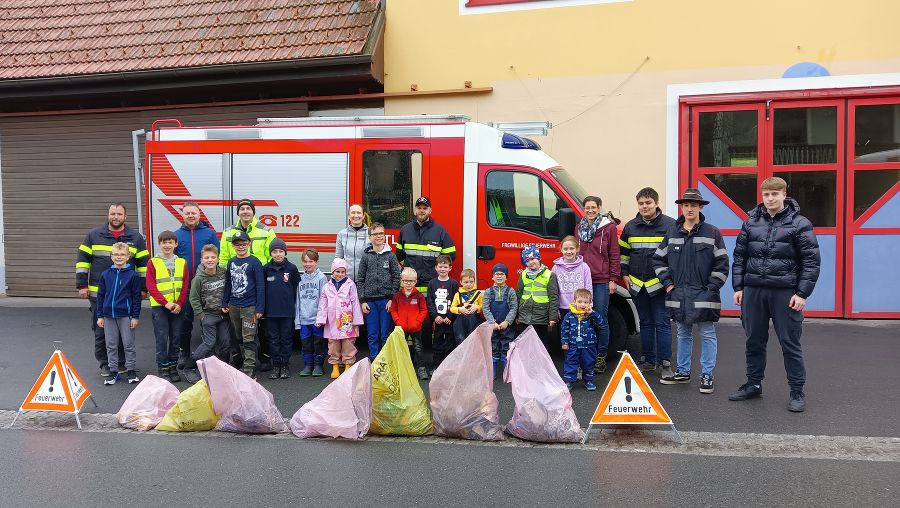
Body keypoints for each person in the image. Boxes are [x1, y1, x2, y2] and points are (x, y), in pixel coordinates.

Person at [729, 177, 820, 412]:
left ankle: (797, 391)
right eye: (766, 194)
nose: (770, 199)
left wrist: (802, 293)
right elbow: (740, 257)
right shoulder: (750, 223)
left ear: (784, 194)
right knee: (753, 340)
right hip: (754, 291)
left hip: (785, 293)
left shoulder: (799, 224)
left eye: (774, 194)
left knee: (790, 343)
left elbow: (811, 262)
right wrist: (738, 287)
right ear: (762, 196)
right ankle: (753, 384)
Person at [653, 188, 729, 394]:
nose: (689, 208)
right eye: (685, 205)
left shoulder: (712, 232)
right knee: (683, 333)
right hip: (679, 294)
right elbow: (658, 260)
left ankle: (707, 375)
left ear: (700, 207)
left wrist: (712, 288)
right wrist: (668, 285)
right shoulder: (671, 232)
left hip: (704, 294)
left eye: (693, 205)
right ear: (681, 208)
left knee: (707, 333)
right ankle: (683, 372)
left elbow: (722, 263)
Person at [76, 202, 148, 377]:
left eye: (119, 214)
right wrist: (82, 285)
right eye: (113, 213)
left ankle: (122, 363)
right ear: (108, 215)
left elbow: (143, 266)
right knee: (101, 331)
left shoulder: (136, 238)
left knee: (125, 331)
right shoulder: (93, 235)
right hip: (98, 293)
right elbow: (82, 261)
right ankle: (105, 364)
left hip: (126, 295)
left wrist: (143, 288)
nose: (116, 217)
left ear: (125, 216)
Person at [619, 187, 676, 378]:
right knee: (645, 323)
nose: (645, 206)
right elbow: (624, 254)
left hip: (660, 285)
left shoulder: (670, 225)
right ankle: (648, 360)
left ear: (656, 203)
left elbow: (675, 257)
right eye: (641, 203)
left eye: (648, 203)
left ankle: (665, 363)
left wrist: (669, 281)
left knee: (662, 323)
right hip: (637, 284)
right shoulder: (630, 226)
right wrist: (625, 274)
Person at [219, 198, 277, 372]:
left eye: (248, 208)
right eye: (242, 209)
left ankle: (259, 360)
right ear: (238, 212)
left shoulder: (266, 231)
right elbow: (223, 258)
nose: (245, 211)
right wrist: (225, 298)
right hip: (235, 297)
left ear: (253, 212)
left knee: (259, 329)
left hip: (257, 286)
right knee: (238, 333)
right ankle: (240, 359)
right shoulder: (228, 233)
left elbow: (272, 255)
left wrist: (261, 275)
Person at [174, 201, 219, 378]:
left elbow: (218, 256)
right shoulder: (177, 235)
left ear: (199, 214)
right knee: (184, 322)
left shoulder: (208, 234)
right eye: (187, 213)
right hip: (184, 287)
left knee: (206, 321)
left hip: (206, 287)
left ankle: (207, 355)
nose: (190, 216)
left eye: (194, 213)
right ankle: (184, 352)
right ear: (182, 215)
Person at [576, 195, 620, 374]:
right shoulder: (579, 227)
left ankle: (600, 357)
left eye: (593, 207)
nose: (590, 210)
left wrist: (613, 279)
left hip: (601, 280)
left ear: (599, 207)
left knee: (600, 319)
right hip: (582, 281)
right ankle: (586, 356)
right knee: (582, 318)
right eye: (587, 207)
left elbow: (614, 254)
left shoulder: (608, 228)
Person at [95, 242, 142, 385]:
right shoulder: (105, 274)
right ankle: (113, 371)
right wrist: (100, 315)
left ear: (128, 257)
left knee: (128, 344)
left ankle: (131, 370)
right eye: (116, 254)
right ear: (111, 256)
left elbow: (136, 297)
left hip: (126, 316)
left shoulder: (132, 275)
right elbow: (101, 295)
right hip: (108, 316)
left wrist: (135, 316)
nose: (119, 257)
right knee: (111, 345)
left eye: (122, 254)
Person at [146, 230, 189, 383]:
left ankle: (173, 367)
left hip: (177, 307)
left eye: (170, 242)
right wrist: (166, 303)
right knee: (162, 338)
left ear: (175, 244)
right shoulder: (153, 262)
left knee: (176, 338)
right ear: (159, 244)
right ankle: (163, 369)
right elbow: (151, 286)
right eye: (164, 242)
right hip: (160, 307)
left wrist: (180, 303)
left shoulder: (181, 262)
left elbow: (185, 285)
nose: (167, 245)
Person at [185, 244, 231, 383]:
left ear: (218, 259)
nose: (210, 260)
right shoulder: (199, 278)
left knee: (225, 343)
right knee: (209, 342)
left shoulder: (223, 273)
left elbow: (229, 289)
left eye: (213, 257)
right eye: (207, 257)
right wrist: (201, 316)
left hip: (223, 315)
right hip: (208, 315)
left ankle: (222, 368)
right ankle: (189, 366)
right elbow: (193, 298)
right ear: (202, 260)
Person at [222, 231, 265, 379]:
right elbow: (228, 283)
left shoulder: (255, 262)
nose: (241, 247)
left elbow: (260, 286)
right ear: (233, 246)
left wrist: (259, 308)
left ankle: (249, 370)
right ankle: (243, 363)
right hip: (234, 306)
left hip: (250, 307)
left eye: (244, 244)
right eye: (237, 244)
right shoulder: (231, 262)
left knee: (249, 338)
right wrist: (225, 301)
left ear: (249, 244)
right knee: (239, 337)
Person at [356, 222, 402, 360]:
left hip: (385, 301)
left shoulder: (391, 256)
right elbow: (360, 278)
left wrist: (391, 298)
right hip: (370, 302)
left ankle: (385, 359)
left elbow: (396, 277)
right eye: (375, 234)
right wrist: (362, 301)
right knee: (373, 333)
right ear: (370, 237)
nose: (379, 236)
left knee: (385, 333)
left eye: (381, 233)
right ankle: (375, 359)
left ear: (384, 236)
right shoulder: (366, 256)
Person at [396, 196, 456, 292]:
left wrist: (433, 269)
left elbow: (450, 256)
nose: (422, 211)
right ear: (415, 210)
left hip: (430, 285)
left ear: (430, 210)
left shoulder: (439, 231)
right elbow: (399, 256)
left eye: (425, 208)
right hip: (409, 285)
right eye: (419, 208)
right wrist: (409, 267)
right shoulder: (405, 230)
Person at [316, 258, 363, 379]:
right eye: (337, 271)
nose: (340, 274)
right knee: (333, 345)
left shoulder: (350, 285)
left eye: (343, 271)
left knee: (348, 344)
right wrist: (321, 319)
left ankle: (348, 365)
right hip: (332, 321)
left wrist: (357, 320)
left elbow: (355, 301)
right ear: (332, 271)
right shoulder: (327, 286)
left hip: (347, 320)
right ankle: (335, 366)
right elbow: (323, 303)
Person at [263, 238, 300, 379]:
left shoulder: (291, 268)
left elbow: (297, 288)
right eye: (274, 251)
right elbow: (262, 289)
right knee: (273, 339)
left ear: (285, 252)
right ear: (270, 253)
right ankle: (276, 365)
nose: (278, 254)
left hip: (287, 312)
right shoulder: (266, 269)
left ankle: (284, 365)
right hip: (271, 312)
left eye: (280, 251)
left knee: (286, 339)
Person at [560, 288, 604, 392]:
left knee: (589, 363)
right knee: (571, 362)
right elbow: (564, 329)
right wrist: (564, 342)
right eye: (580, 302)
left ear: (590, 303)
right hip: (573, 345)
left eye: (586, 302)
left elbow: (601, 323)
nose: (583, 304)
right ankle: (569, 381)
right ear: (574, 302)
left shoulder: (591, 315)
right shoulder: (569, 315)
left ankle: (588, 380)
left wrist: (592, 313)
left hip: (589, 345)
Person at [515, 245, 559, 346]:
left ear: (539, 258)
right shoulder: (523, 274)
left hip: (541, 316)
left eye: (533, 258)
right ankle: (528, 361)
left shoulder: (549, 275)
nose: (530, 262)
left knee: (541, 342)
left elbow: (553, 297)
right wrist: (517, 315)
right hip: (525, 315)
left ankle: (541, 361)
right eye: (527, 260)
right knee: (526, 342)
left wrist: (552, 317)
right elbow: (518, 294)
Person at [390, 267, 429, 380]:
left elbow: (423, 310)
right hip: (401, 328)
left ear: (415, 282)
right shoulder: (397, 296)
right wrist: (397, 321)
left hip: (415, 328)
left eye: (411, 281)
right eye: (406, 280)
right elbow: (393, 310)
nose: (408, 283)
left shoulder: (419, 296)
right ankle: (401, 369)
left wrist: (418, 322)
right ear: (401, 281)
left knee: (418, 349)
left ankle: (421, 369)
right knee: (401, 348)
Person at [295, 249, 327, 377]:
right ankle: (308, 365)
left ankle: (318, 365)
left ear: (316, 262)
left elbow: (324, 300)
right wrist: (298, 320)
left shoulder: (322, 278)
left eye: (311, 261)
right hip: (304, 319)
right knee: (306, 343)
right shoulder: (300, 279)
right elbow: (297, 300)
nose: (308, 264)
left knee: (318, 343)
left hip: (316, 319)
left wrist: (321, 318)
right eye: (305, 261)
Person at [483, 263, 518, 379]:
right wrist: (492, 322)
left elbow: (514, 308)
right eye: (496, 274)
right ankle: (492, 371)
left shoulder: (511, 291)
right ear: (492, 277)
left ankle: (507, 371)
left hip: (506, 326)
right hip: (492, 326)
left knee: (506, 347)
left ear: (506, 277)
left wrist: (507, 321)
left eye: (502, 274)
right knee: (493, 346)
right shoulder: (488, 291)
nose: (499, 276)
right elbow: (485, 308)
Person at [427, 254, 459, 372]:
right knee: (437, 343)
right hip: (438, 320)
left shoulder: (454, 284)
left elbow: (456, 302)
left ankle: (449, 368)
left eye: (445, 267)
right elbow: (430, 301)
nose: (442, 269)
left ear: (450, 268)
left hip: (450, 320)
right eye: (440, 266)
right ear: (436, 268)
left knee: (450, 343)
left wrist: (450, 317)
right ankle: (437, 367)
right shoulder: (432, 283)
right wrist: (436, 316)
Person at [552, 235, 592, 326]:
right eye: (565, 249)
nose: (569, 251)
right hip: (562, 307)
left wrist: (589, 305)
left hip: (580, 307)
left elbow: (588, 287)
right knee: (564, 335)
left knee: (579, 334)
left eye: (572, 248)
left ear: (577, 249)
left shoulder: (584, 267)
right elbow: (553, 291)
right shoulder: (555, 268)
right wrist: (555, 309)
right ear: (561, 250)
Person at [335, 203, 370, 283]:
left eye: (358, 212)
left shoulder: (370, 233)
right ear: (348, 216)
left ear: (363, 215)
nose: (356, 215)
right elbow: (338, 258)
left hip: (366, 280)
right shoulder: (341, 234)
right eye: (353, 212)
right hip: (346, 280)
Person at [450, 268, 484, 344]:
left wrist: (477, 307)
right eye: (466, 282)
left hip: (474, 323)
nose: (469, 284)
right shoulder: (457, 294)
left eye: (471, 282)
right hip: (461, 325)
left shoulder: (478, 294)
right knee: (461, 341)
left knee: (474, 341)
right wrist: (459, 309)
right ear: (461, 282)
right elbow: (452, 308)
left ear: (474, 282)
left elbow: (483, 306)